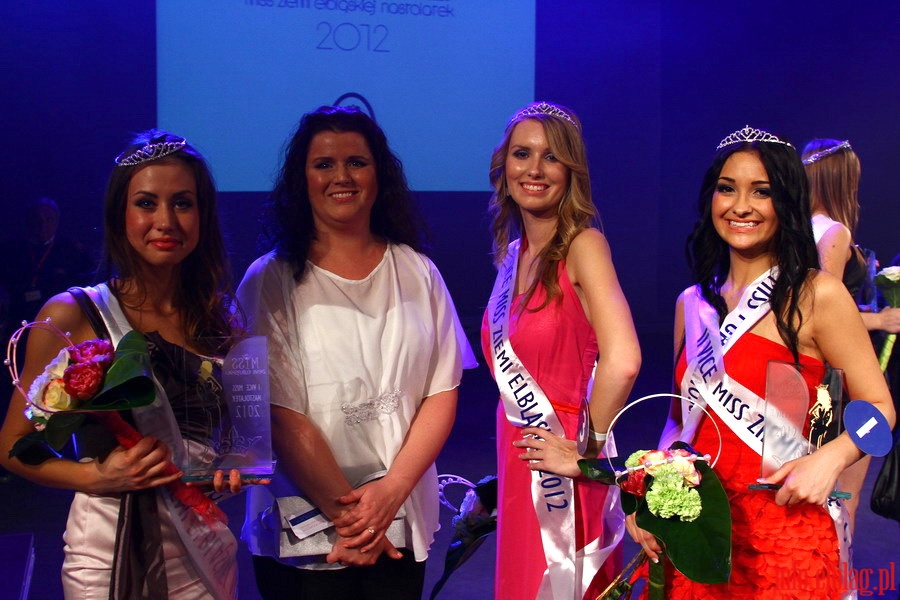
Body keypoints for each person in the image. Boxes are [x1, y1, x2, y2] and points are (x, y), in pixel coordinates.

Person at [626, 125, 896, 598]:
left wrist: (829, 460)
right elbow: (679, 422)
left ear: (786, 203)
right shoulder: (692, 303)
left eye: (761, 192)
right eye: (727, 189)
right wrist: (652, 493)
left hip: (784, 533)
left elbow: (882, 412)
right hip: (699, 535)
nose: (741, 206)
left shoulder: (818, 296)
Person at [237, 105, 475, 600]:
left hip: (399, 514)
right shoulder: (269, 280)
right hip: (303, 528)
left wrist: (389, 495)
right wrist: (354, 521)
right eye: (323, 164)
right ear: (300, 179)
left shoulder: (418, 271)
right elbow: (277, 414)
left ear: (378, 174)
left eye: (356, 162)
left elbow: (441, 391)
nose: (340, 176)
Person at [0, 130, 245, 599]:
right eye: (147, 203)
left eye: (183, 203)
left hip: (202, 550)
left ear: (203, 215)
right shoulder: (73, 315)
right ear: (121, 214)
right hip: (107, 553)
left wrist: (231, 470)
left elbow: (228, 439)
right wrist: (97, 476)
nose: (166, 220)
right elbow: (13, 446)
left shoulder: (221, 317)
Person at [482, 101, 641, 600]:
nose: (533, 169)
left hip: (563, 466)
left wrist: (587, 451)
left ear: (571, 170)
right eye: (521, 154)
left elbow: (625, 359)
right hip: (520, 457)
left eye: (551, 157)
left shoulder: (584, 245)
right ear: (503, 166)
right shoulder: (513, 256)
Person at [802, 138, 900, 531]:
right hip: (836, 384)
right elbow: (824, 312)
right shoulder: (833, 232)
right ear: (843, 180)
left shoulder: (792, 231)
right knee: (845, 495)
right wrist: (881, 321)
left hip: (807, 375)